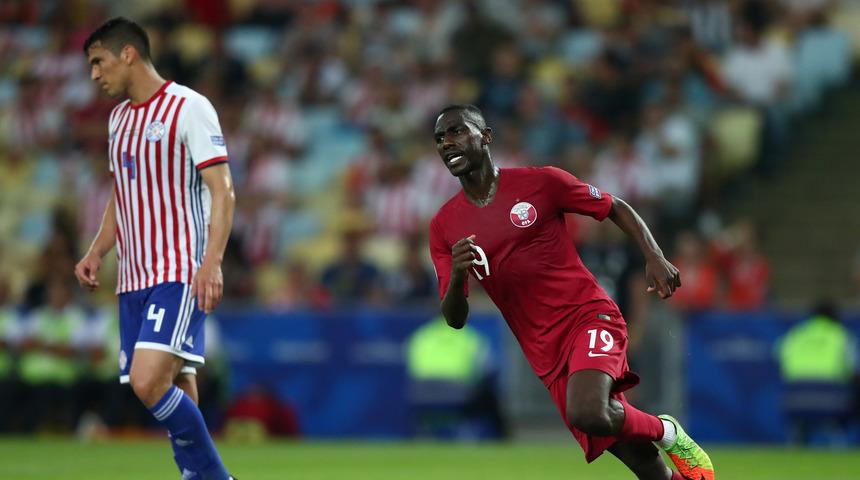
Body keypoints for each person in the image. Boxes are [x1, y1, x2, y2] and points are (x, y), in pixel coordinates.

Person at [429, 104, 714, 480]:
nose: (448, 143)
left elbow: (614, 206)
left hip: (588, 316)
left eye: (456, 131)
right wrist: (457, 274)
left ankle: (668, 431)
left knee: (589, 412)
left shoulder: (542, 183)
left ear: (486, 136)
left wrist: (654, 255)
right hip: (545, 353)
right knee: (642, 462)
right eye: (440, 139)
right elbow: (455, 318)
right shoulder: (444, 226)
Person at [74, 18, 237, 480]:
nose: (94, 75)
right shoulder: (118, 120)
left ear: (128, 54)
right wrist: (96, 251)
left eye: (98, 62)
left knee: (147, 382)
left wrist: (212, 263)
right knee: (175, 383)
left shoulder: (189, 107)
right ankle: (192, 474)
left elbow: (222, 189)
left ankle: (214, 476)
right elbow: (121, 194)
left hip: (178, 269)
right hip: (133, 277)